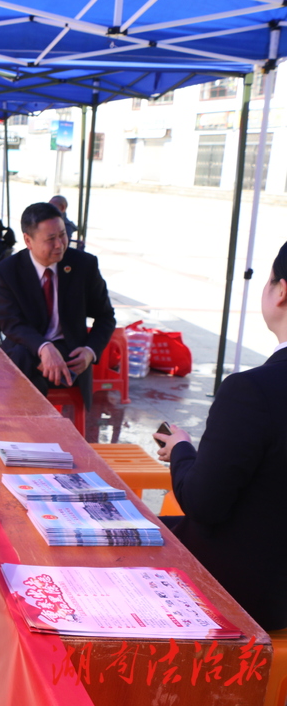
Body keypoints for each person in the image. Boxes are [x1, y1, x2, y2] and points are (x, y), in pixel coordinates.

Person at [155, 241, 287, 632]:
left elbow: (204, 502)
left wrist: (181, 450)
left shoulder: (253, 391)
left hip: (244, 594)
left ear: (282, 292)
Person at [0, 201, 115, 409]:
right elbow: (10, 322)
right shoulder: (8, 271)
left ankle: (20, 427)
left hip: (69, 357)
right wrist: (43, 347)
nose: (60, 244)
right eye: (51, 239)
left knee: (19, 372)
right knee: (22, 359)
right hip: (27, 349)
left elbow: (105, 316)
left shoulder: (83, 265)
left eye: (62, 235)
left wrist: (89, 351)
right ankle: (32, 425)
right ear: (28, 241)